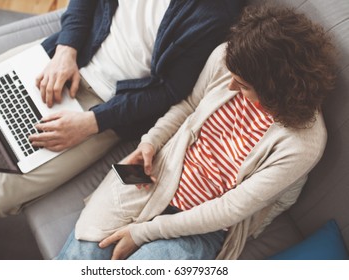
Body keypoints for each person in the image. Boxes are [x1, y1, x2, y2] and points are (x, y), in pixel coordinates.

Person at [55, 5, 336, 260]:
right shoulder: (228, 58)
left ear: (272, 87)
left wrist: (144, 233)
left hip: (205, 224)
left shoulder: (303, 143)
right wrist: (149, 144)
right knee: (80, 256)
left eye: (243, 85)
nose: (231, 88)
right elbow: (188, 106)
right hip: (155, 174)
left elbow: (231, 208)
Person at [0, 0, 245, 227]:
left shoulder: (217, 12)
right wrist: (65, 51)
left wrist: (91, 123)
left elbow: (169, 90)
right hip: (61, 59)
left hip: (105, 108)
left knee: (1, 194)